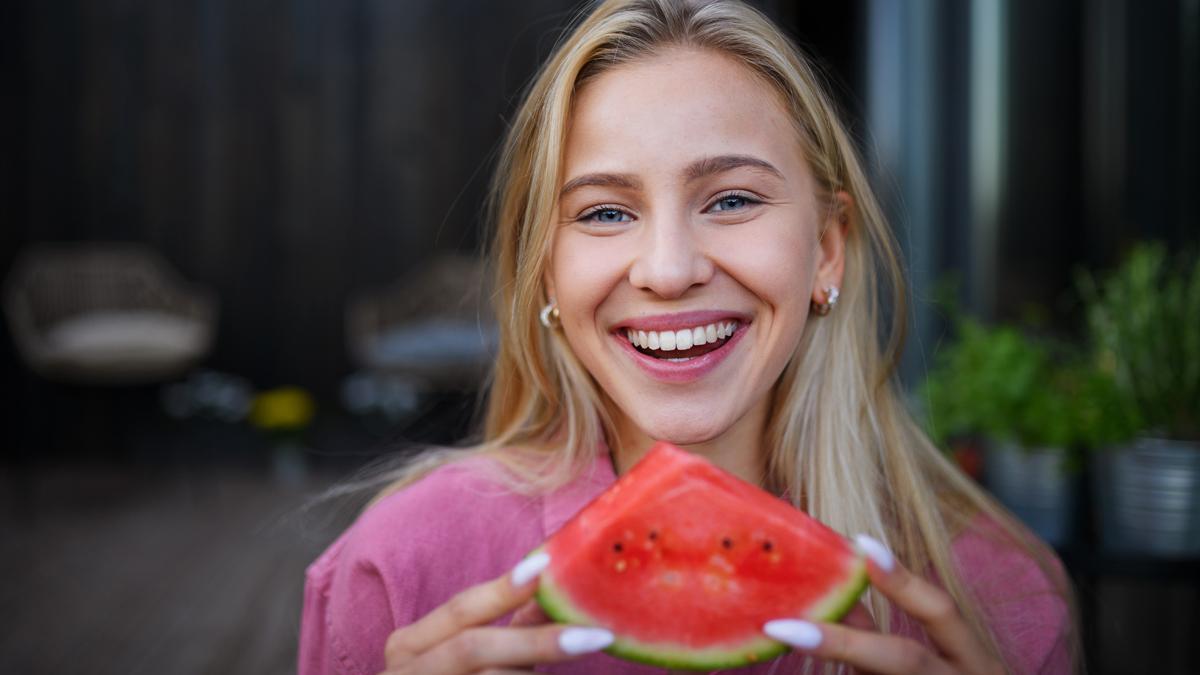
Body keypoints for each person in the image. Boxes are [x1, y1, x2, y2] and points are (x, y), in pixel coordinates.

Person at [298, 1, 1075, 673]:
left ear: (827, 250)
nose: (668, 270)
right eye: (605, 212)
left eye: (732, 198)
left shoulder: (1002, 598)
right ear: (546, 276)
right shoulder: (399, 570)